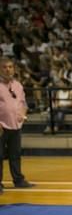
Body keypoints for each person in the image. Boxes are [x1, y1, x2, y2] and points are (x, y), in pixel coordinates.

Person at [0, 57, 35, 193]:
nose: (8, 69)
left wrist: (23, 114)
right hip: (1, 127)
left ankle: (18, 180)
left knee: (15, 154)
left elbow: (23, 103)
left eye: (10, 67)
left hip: (16, 125)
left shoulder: (18, 85)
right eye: (4, 67)